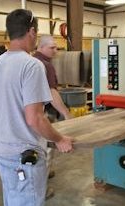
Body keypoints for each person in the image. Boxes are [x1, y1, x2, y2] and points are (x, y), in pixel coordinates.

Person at [0, 9, 73, 206]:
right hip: (23, 156)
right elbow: (35, 118)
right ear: (31, 32)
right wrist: (60, 139)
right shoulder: (32, 65)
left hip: (0, 152)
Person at [33, 35, 73, 199]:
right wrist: (65, 112)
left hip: (32, 112)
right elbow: (51, 92)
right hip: (43, 112)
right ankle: (41, 189)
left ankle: (44, 173)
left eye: (57, 47)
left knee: (40, 147)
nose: (56, 51)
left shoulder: (32, 61)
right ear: (40, 47)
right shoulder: (45, 65)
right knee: (47, 148)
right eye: (52, 48)